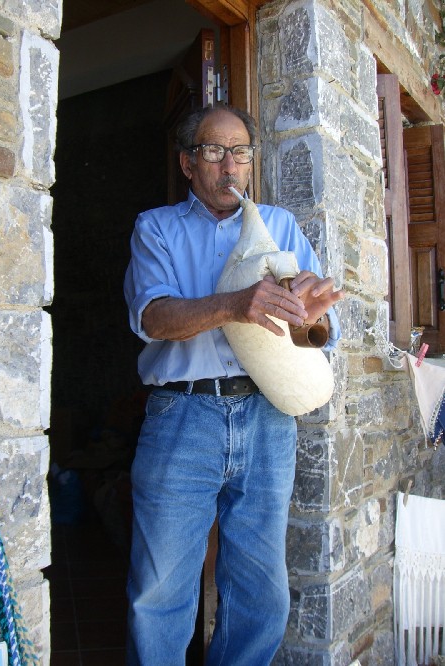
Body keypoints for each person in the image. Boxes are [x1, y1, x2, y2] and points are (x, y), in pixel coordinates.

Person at [123, 105, 343, 665]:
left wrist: (309, 316)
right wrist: (235, 305)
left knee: (259, 588)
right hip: (182, 415)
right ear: (187, 162)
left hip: (266, 418)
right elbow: (155, 318)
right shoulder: (157, 227)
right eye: (213, 152)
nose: (229, 166)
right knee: (160, 589)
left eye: (240, 153)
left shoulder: (281, 226)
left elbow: (322, 332)